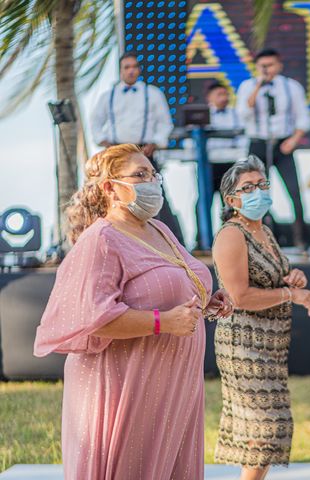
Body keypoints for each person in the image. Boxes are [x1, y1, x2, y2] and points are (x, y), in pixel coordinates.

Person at [33, 144, 233, 479]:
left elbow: (168, 285)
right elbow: (92, 319)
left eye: (153, 174)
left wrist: (205, 300)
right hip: (128, 384)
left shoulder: (159, 230)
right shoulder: (102, 239)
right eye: (140, 175)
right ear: (110, 187)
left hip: (174, 383)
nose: (152, 182)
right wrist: (163, 322)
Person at [212, 156, 310, 480]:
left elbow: (277, 276)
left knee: (267, 434)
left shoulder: (264, 231)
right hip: (244, 345)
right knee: (263, 432)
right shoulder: (232, 235)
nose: (258, 191)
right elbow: (240, 296)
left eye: (262, 184)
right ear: (231, 200)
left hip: (269, 347)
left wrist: (292, 278)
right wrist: (291, 295)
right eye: (248, 187)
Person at [90, 52, 185, 244]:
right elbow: (95, 122)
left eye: (134, 67)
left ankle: (171, 242)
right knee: (113, 193)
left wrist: (155, 143)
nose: (131, 71)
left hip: (145, 151)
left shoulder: (152, 93)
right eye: (127, 67)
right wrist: (105, 142)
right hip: (118, 153)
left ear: (139, 70)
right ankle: (111, 238)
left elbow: (165, 123)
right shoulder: (109, 96)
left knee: (155, 195)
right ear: (120, 71)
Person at [235, 48, 310, 249]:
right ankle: (259, 238)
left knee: (294, 191)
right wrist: (258, 86)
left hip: (283, 143)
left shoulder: (291, 87)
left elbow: (303, 117)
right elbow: (243, 113)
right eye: (262, 66)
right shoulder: (247, 86)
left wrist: (294, 139)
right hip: (258, 143)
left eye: (270, 65)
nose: (266, 69)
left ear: (278, 65)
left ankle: (301, 239)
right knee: (254, 192)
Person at [191, 80, 248, 250]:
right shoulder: (202, 116)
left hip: (229, 166)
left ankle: (232, 240)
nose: (224, 98)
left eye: (226, 94)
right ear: (209, 97)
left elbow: (242, 140)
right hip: (208, 165)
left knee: (232, 204)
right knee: (203, 203)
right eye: (219, 95)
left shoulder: (236, 114)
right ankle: (202, 241)